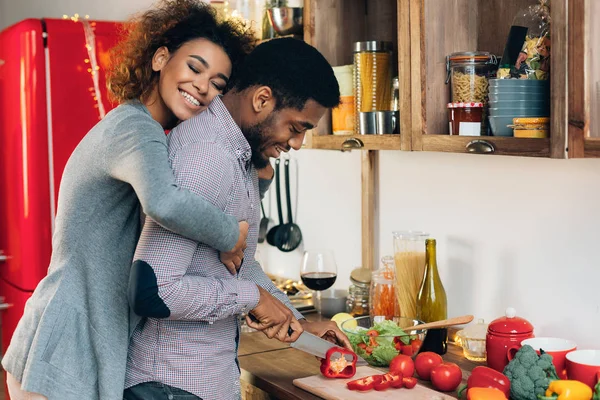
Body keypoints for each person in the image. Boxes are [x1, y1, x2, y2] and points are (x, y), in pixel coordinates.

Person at [1, 2, 267, 399]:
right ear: (161, 58)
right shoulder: (134, 128)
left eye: (217, 83)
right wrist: (230, 234)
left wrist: (257, 179)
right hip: (64, 347)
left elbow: (189, 200)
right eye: (194, 68)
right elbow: (165, 202)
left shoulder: (154, 136)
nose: (203, 87)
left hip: (81, 342)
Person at [123, 37, 352, 400]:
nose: (297, 144)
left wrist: (296, 319)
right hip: (169, 385)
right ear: (262, 100)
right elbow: (153, 291)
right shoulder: (207, 157)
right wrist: (251, 298)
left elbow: (237, 267)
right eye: (296, 127)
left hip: (194, 383)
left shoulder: (239, 154)